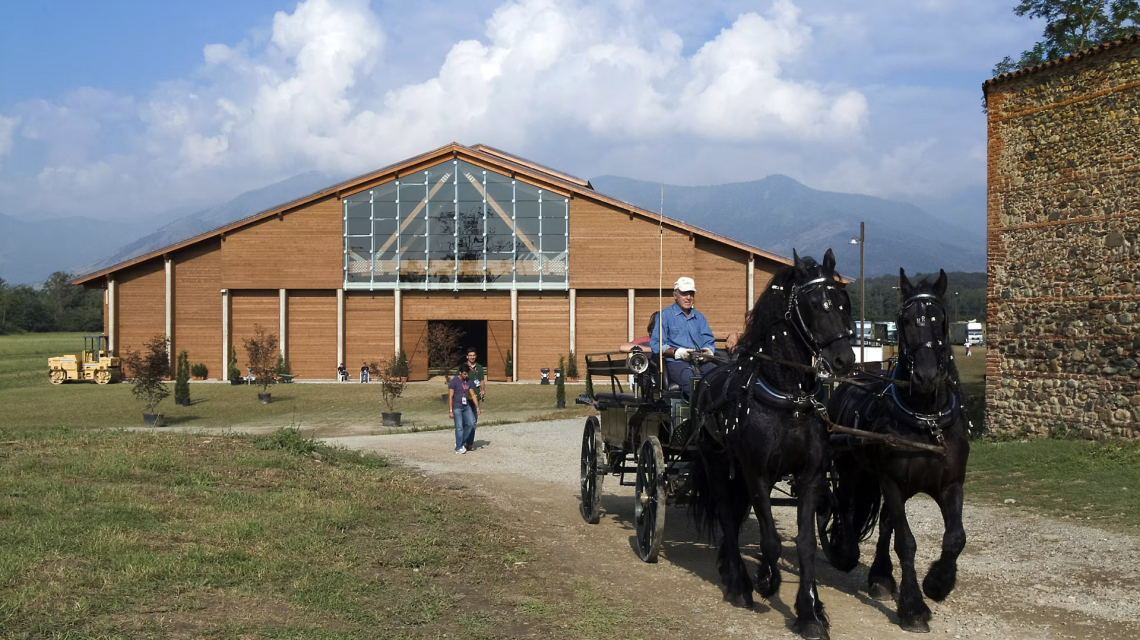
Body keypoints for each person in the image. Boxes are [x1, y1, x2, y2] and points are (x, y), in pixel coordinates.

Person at [651, 277, 716, 396]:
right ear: (675, 295)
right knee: (694, 384)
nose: (688, 297)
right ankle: (698, 413)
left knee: (720, 379)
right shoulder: (665, 315)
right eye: (684, 293)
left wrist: (709, 351)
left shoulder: (699, 317)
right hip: (677, 363)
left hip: (701, 361)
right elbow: (656, 344)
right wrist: (677, 352)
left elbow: (708, 340)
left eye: (691, 294)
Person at [448, 365, 480, 454]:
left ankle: (460, 442)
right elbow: (450, 396)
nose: (466, 376)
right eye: (464, 374)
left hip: (466, 406)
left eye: (467, 374)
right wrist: (451, 411)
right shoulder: (454, 381)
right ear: (460, 373)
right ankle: (458, 448)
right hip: (457, 407)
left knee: (471, 423)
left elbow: (473, 395)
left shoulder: (468, 381)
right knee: (459, 427)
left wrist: (477, 407)